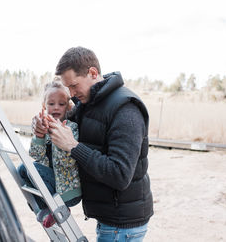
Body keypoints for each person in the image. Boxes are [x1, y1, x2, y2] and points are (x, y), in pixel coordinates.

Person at [32, 47, 153, 241]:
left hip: (121, 224)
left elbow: (120, 175)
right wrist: (43, 128)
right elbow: (65, 131)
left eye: (73, 86)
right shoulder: (88, 103)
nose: (70, 94)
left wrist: (73, 146)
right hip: (108, 219)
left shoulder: (126, 109)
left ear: (93, 73)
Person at [18, 79, 81, 228]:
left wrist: (59, 135)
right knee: (22, 168)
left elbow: (68, 162)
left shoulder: (71, 127)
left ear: (68, 106)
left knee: (32, 169)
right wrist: (40, 136)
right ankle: (45, 206)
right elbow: (36, 155)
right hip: (52, 184)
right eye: (51, 104)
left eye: (61, 104)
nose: (56, 107)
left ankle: (58, 207)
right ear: (44, 106)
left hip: (68, 191)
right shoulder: (44, 127)